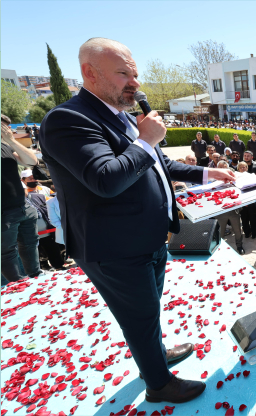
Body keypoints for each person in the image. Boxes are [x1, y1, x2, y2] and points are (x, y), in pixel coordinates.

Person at [39, 38, 237, 403]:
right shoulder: (67, 120)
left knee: (148, 309)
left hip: (146, 239)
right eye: (123, 74)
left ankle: (155, 355)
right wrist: (146, 140)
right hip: (114, 247)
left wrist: (208, 173)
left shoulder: (121, 117)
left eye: (135, 74)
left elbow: (160, 166)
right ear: (90, 74)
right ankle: (159, 385)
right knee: (140, 316)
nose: (135, 83)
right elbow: (107, 178)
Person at [1, 115, 41, 283]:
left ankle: (36, 279)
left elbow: (32, 162)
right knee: (7, 253)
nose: (7, 130)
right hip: (4, 213)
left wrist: (11, 141)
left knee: (30, 244)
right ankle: (18, 287)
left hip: (23, 207)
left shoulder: (6, 146)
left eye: (8, 127)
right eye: (4, 127)